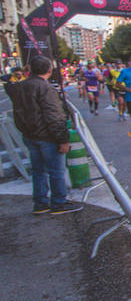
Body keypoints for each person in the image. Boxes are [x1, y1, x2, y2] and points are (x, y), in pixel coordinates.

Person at [8, 56, 82, 215]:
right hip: (47, 136)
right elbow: (54, 116)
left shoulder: (20, 87)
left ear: (31, 70)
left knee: (38, 171)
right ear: (50, 70)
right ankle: (58, 203)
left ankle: (40, 203)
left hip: (30, 135)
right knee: (56, 171)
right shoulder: (45, 88)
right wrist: (63, 140)